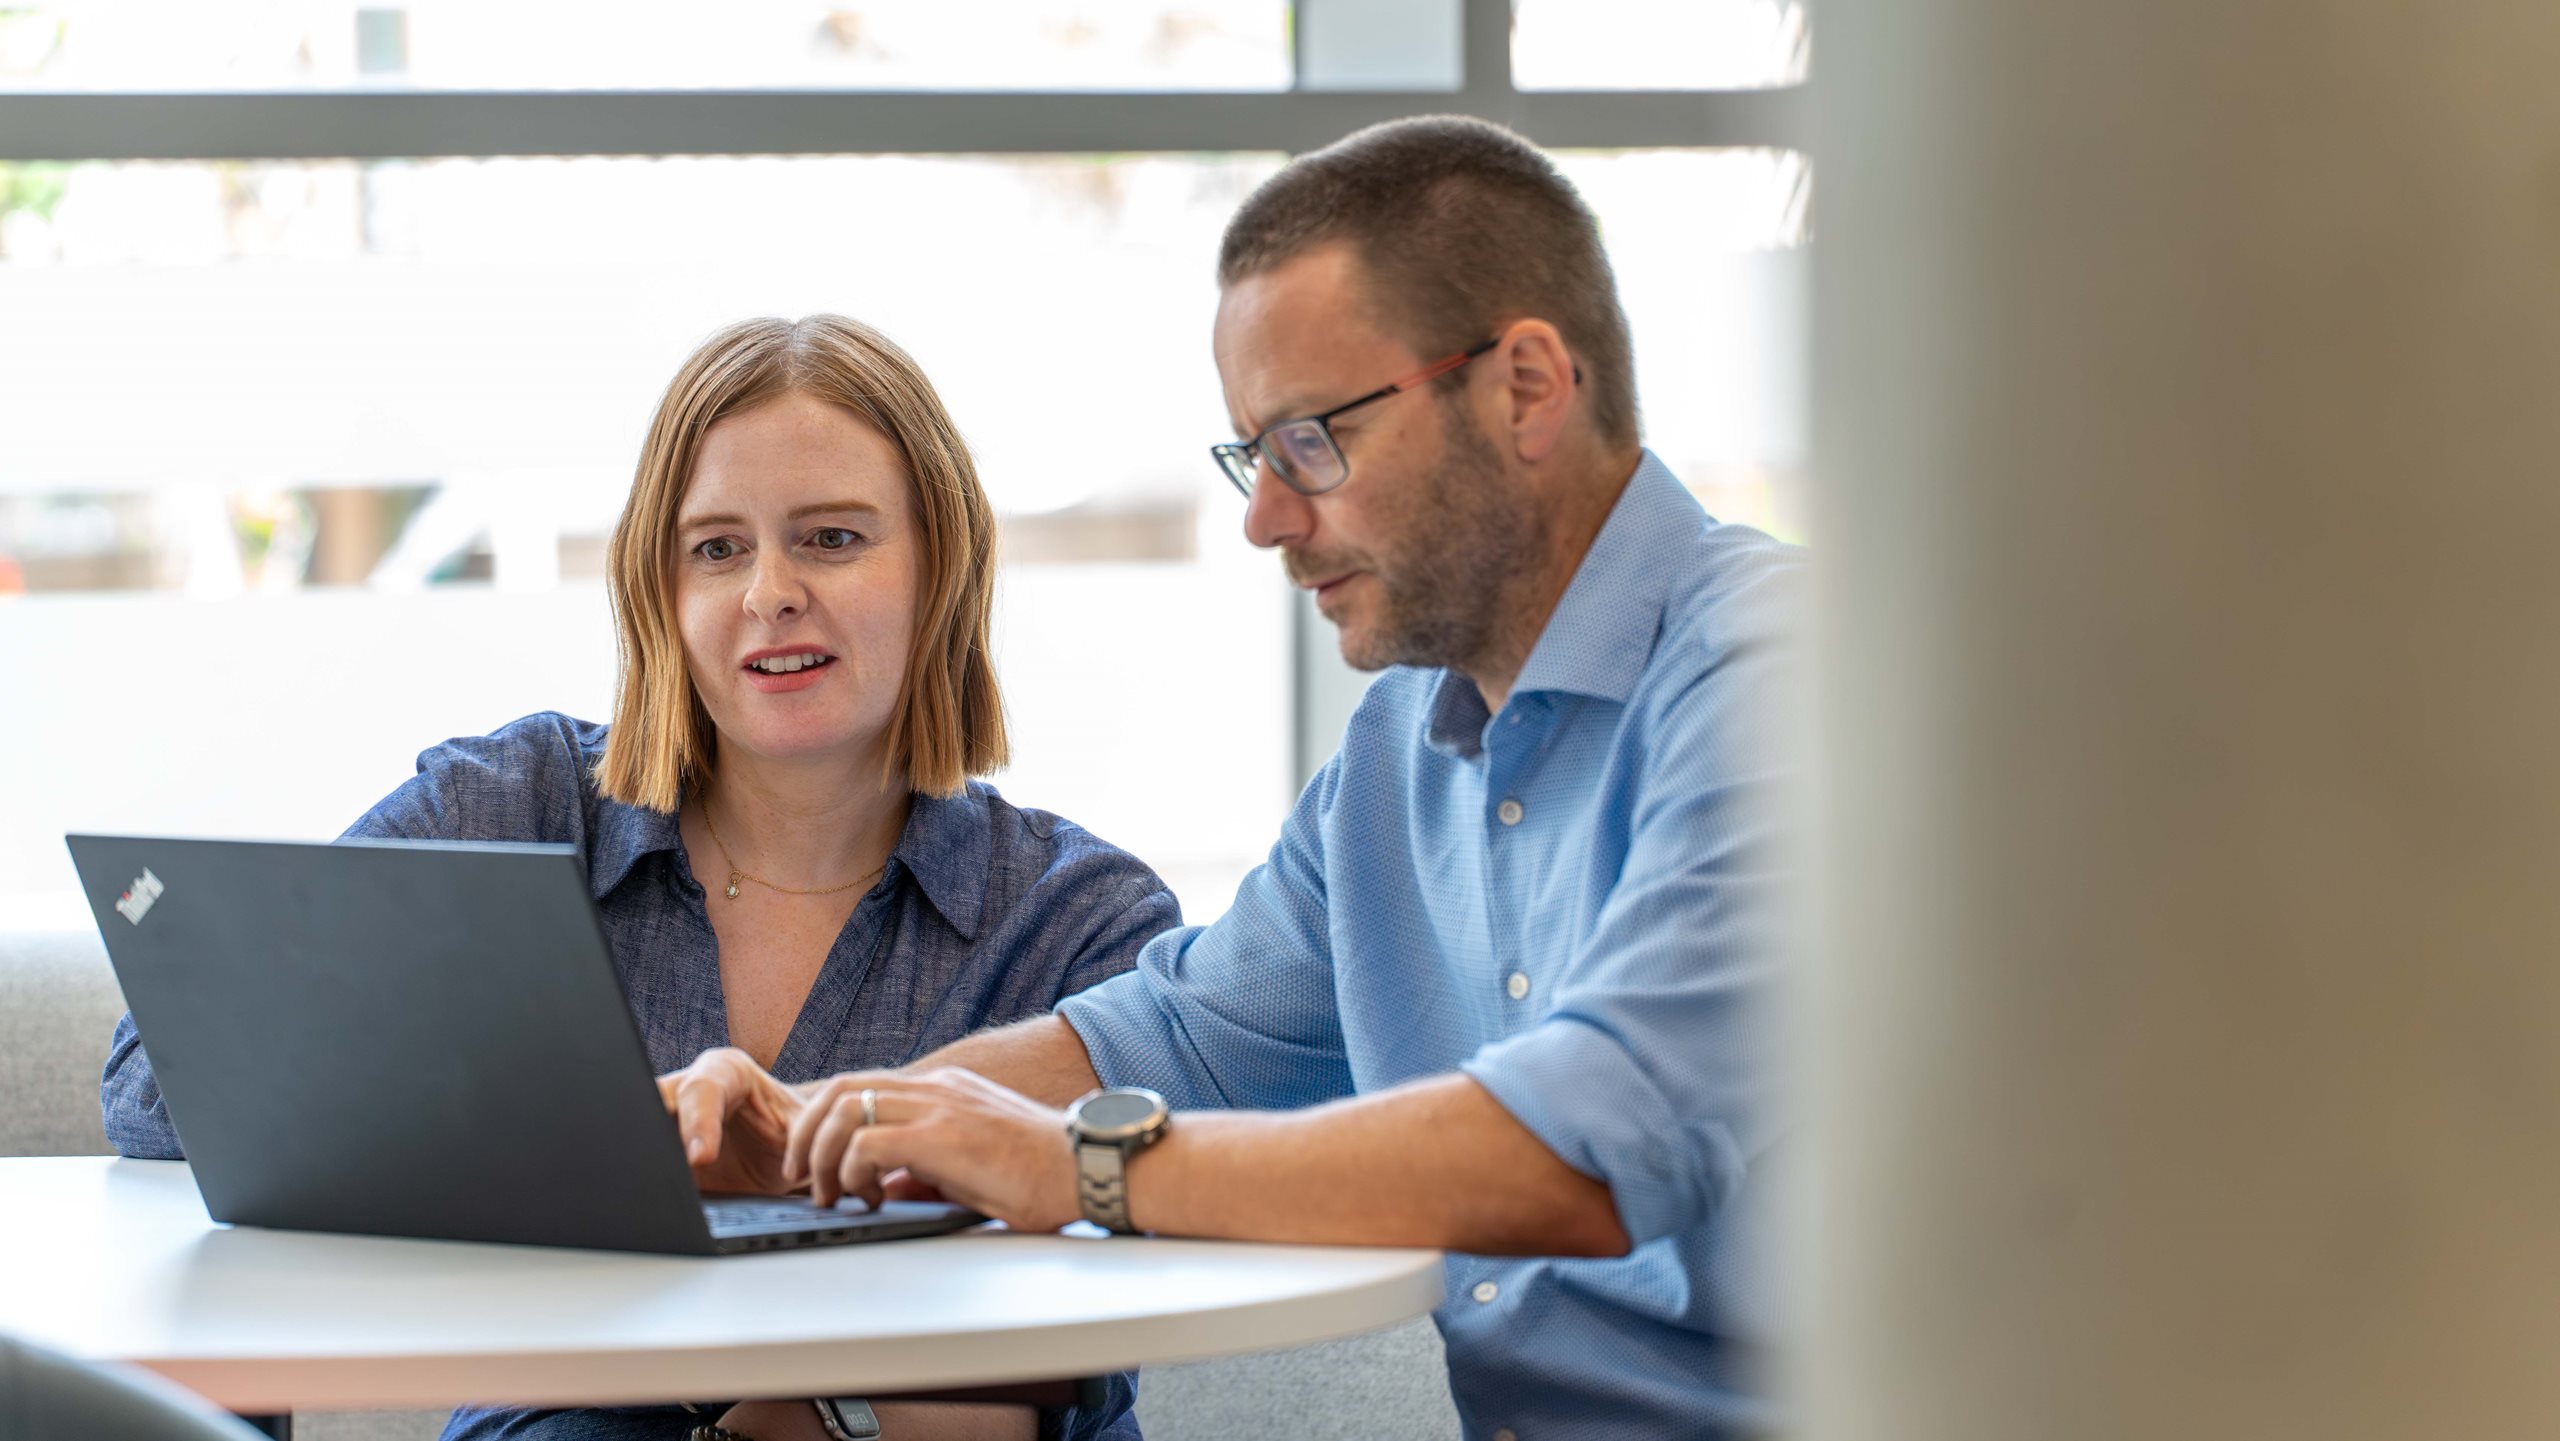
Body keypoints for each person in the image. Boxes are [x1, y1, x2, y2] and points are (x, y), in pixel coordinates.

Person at [663, 115, 1806, 1440]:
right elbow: (1174, 1035)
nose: (1265, 516)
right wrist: (819, 1127)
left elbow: (1591, 1144)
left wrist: (1087, 1167)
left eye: (1311, 440)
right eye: (1250, 455)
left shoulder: (1778, 681)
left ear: (1529, 388)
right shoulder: (1398, 755)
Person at [99, 315, 1179, 1441]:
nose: (768, 591)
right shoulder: (517, 807)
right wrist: (579, 1140)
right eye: (716, 547)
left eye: (831, 538)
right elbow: (157, 1084)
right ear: (657, 590)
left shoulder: (1079, 920)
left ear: (942, 567)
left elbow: (1089, 1330)